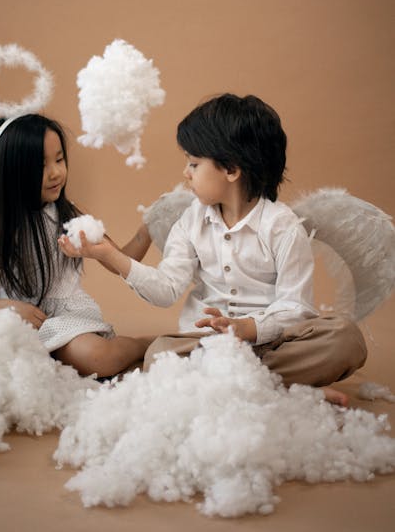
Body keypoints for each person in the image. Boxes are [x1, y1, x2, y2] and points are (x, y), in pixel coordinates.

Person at [59, 94, 367, 404]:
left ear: (231, 169)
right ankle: (283, 388)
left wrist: (248, 328)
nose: (186, 173)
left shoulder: (283, 227)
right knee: (160, 354)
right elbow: (166, 289)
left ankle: (249, 384)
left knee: (345, 339)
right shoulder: (190, 221)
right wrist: (108, 254)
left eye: (194, 163)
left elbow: (295, 308)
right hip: (207, 345)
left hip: (273, 344)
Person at [0, 113, 152, 378]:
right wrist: (13, 308)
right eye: (40, 165)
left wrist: (147, 231)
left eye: (59, 159)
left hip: (67, 318)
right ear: (12, 172)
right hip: (19, 323)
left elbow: (118, 260)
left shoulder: (70, 216)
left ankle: (143, 344)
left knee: (98, 358)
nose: (55, 172)